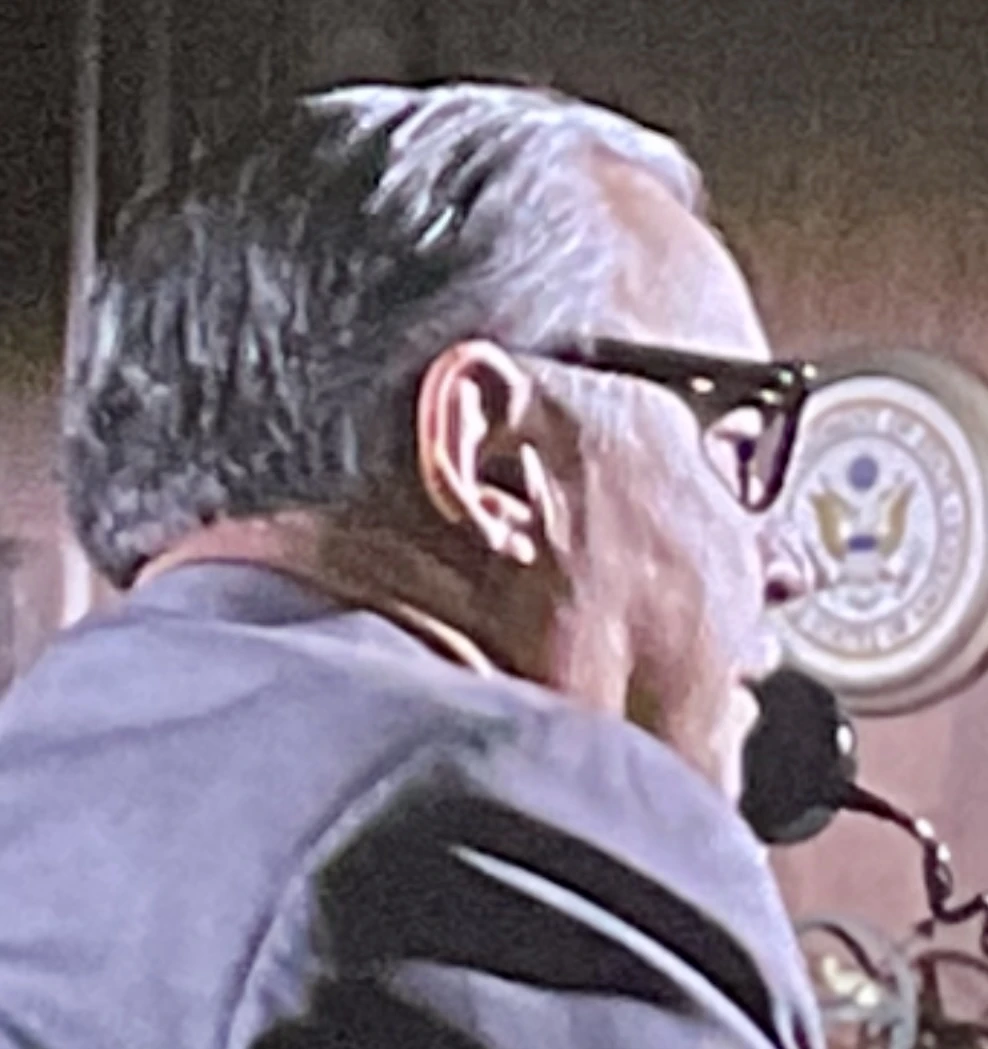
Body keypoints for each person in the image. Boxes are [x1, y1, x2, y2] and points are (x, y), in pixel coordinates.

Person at [0, 82, 821, 1048]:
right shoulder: (502, 812)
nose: (788, 563)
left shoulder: (36, 763)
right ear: (495, 459)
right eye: (737, 443)